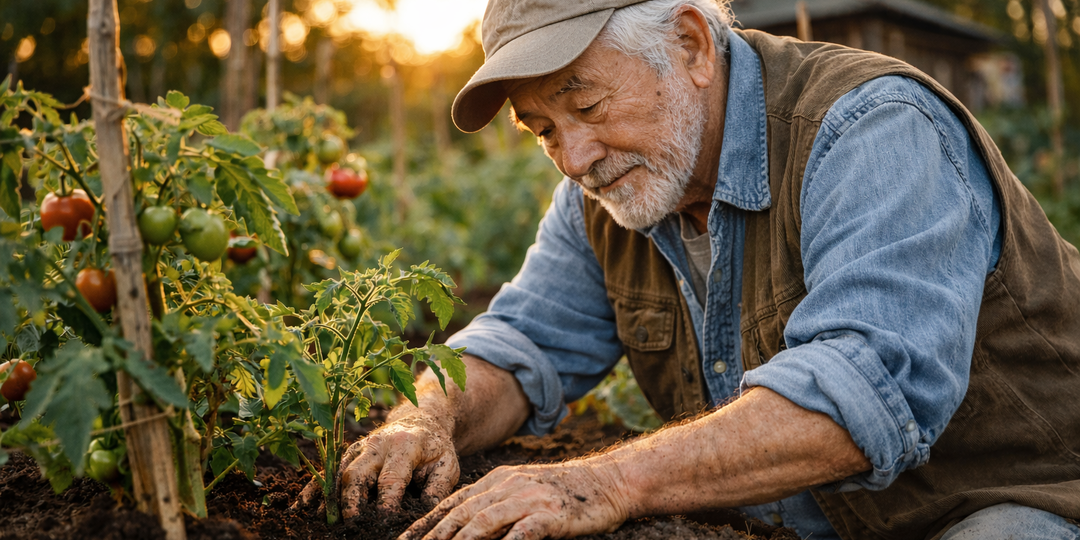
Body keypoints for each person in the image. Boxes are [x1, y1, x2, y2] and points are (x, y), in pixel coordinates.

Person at [298, 1, 1080, 539]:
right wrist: (423, 417)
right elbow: (519, 341)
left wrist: (600, 483)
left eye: (588, 106)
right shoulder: (610, 196)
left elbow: (862, 392)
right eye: (541, 130)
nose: (573, 159)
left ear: (691, 46)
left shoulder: (870, 129)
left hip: (1019, 496)